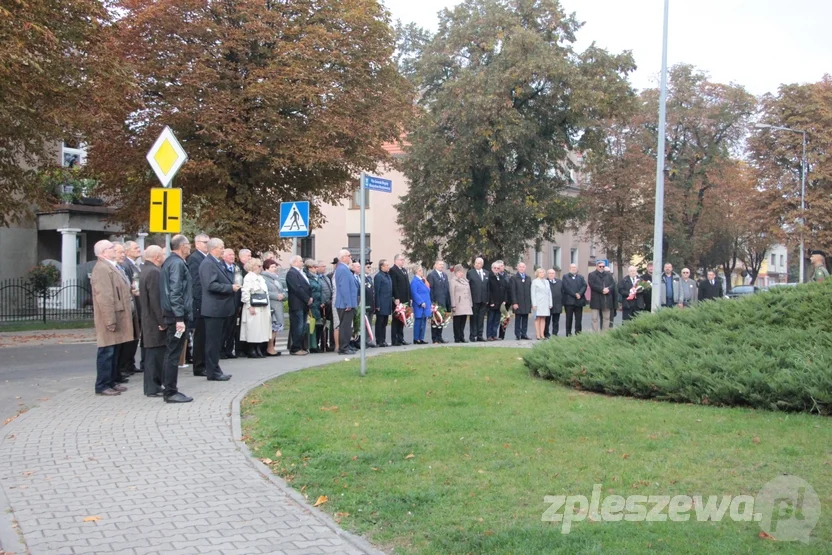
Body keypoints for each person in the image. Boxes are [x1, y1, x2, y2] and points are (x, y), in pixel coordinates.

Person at [90, 240, 132, 396]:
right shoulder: (101, 268)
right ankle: (102, 385)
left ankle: (112, 381)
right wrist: (110, 320)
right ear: (103, 252)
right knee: (106, 351)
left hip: (117, 314)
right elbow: (105, 297)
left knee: (114, 350)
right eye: (111, 248)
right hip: (109, 316)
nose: (114, 249)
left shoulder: (110, 265)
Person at [159, 234, 194, 403]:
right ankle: (170, 391)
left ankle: (170, 389)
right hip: (176, 318)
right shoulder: (177, 264)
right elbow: (175, 292)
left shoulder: (172, 262)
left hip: (175, 316)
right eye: (188, 244)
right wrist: (179, 318)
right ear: (181, 246)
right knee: (173, 353)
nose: (190, 247)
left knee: (172, 352)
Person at [199, 238, 238, 381]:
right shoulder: (208, 264)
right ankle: (212, 371)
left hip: (221, 308)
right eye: (222, 247)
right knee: (212, 342)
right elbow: (211, 285)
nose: (223, 250)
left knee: (217, 341)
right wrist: (230, 288)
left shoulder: (216, 263)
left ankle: (215, 369)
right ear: (214, 248)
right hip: (214, 309)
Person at [139, 246, 166, 397]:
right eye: (162, 254)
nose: (163, 256)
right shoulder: (154, 272)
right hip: (154, 321)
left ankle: (152, 386)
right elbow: (156, 300)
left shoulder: (145, 270)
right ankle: (153, 387)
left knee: (152, 355)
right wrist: (162, 322)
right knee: (155, 355)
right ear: (156, 256)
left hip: (149, 319)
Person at [113, 243, 140, 382]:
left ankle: (127, 365)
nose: (122, 254)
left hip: (132, 305)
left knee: (132, 338)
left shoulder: (126, 266)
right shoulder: (123, 266)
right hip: (123, 309)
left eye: (123, 252)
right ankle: (122, 368)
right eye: (120, 252)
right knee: (122, 343)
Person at [187, 233, 210, 375]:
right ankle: (199, 365)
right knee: (200, 336)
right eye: (205, 242)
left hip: (206, 303)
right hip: (200, 303)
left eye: (208, 241)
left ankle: (204, 363)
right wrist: (200, 302)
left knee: (206, 336)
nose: (207, 244)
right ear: (197, 244)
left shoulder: (206, 258)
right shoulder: (195, 259)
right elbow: (196, 282)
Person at [240, 258, 271, 357]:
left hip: (262, 306)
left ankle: (258, 348)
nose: (261, 268)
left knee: (261, 328)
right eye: (259, 266)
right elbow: (245, 292)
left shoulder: (260, 278)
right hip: (253, 306)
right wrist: (249, 306)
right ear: (253, 267)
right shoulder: (248, 277)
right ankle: (251, 349)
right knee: (253, 328)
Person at [286, 255, 312, 356]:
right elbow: (297, 288)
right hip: (297, 304)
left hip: (303, 304)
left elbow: (307, 286)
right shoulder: (291, 273)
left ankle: (299, 346)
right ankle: (295, 348)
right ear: (295, 262)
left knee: (302, 327)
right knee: (298, 326)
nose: (302, 263)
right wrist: (307, 298)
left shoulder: (301, 273)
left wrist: (310, 297)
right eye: (301, 261)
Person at [333, 250, 358, 354]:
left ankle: (346, 345)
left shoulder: (344, 268)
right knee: (345, 326)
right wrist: (348, 303)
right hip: (344, 303)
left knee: (347, 326)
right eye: (349, 256)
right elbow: (344, 287)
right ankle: (344, 347)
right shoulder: (342, 269)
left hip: (347, 302)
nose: (350, 257)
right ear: (343, 257)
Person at [261, 259, 285, 356]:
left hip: (278, 304)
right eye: (272, 267)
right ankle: (269, 348)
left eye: (275, 267)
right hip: (271, 305)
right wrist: (276, 295)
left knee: (276, 328)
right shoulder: (263, 278)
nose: (274, 269)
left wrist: (283, 295)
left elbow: (283, 289)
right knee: (272, 327)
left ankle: (272, 347)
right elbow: (264, 291)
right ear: (266, 268)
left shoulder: (276, 278)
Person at [221, 248, 240, 358]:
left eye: (233, 254)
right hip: (225, 302)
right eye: (229, 255)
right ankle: (221, 350)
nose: (232, 256)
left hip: (235, 301)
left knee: (232, 329)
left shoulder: (236, 268)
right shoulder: (221, 267)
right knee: (224, 328)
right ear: (223, 256)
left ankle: (229, 349)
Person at [427, 260, 450, 344]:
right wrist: (432, 303)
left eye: (443, 265)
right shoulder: (431, 275)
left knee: (441, 321)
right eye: (440, 264)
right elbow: (431, 290)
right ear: (435, 265)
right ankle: (435, 338)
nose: (442, 266)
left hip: (443, 301)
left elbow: (447, 290)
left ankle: (440, 337)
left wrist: (448, 303)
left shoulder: (445, 275)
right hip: (436, 302)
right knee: (435, 321)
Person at [389, 254, 411, 346]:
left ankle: (401, 338)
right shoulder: (393, 270)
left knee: (402, 319)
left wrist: (410, 297)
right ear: (396, 260)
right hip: (397, 300)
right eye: (401, 260)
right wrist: (396, 298)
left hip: (405, 299)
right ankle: (395, 339)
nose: (403, 261)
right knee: (396, 320)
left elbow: (407, 285)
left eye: (403, 260)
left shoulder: (404, 270)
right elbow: (394, 285)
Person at [588, 260, 616, 332]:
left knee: (606, 318)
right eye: (600, 266)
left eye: (603, 266)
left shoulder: (608, 275)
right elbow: (592, 285)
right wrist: (601, 289)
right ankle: (595, 334)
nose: (602, 268)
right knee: (594, 318)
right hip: (596, 299)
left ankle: (605, 334)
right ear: (597, 266)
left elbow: (613, 284)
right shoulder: (592, 274)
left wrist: (608, 289)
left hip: (606, 299)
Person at [466, 257, 489, 342]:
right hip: (474, 299)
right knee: (473, 318)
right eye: (476, 262)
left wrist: (487, 299)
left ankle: (480, 335)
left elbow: (488, 287)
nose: (477, 264)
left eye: (479, 263)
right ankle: (473, 335)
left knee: (481, 318)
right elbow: (468, 287)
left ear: (482, 264)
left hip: (483, 299)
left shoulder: (486, 273)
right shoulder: (470, 273)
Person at [449, 264, 473, 343]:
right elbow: (452, 294)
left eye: (462, 272)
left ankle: (461, 336)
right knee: (457, 322)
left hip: (465, 304)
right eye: (460, 272)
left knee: (463, 321)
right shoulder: (453, 281)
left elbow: (469, 293)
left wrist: (470, 303)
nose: (461, 274)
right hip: (458, 304)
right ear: (456, 272)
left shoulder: (465, 280)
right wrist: (453, 305)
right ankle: (457, 337)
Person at [562, 263, 587, 336]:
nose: (574, 269)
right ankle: (568, 333)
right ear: (569, 268)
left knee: (578, 319)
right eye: (572, 267)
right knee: (569, 319)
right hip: (569, 301)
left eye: (575, 267)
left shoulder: (581, 277)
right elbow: (566, 287)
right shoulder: (565, 277)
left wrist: (580, 293)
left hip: (579, 301)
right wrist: (575, 294)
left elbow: (584, 286)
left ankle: (578, 333)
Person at [486, 261, 508, 341]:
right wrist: (490, 301)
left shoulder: (501, 277)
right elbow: (488, 290)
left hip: (500, 303)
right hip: (492, 302)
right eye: (494, 268)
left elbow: (505, 289)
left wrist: (505, 300)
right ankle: (489, 335)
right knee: (490, 319)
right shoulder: (489, 277)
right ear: (492, 268)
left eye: (498, 268)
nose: (496, 269)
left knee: (497, 320)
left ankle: (494, 335)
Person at [510, 262, 532, 340]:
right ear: (517, 268)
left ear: (525, 268)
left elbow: (530, 291)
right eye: (520, 267)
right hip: (518, 302)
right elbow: (513, 291)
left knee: (525, 319)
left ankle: (524, 334)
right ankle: (517, 334)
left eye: (523, 267)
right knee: (518, 319)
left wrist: (530, 303)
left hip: (526, 302)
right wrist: (514, 302)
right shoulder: (514, 278)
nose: (522, 268)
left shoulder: (528, 278)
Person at [373, 259, 393, 347]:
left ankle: (383, 340)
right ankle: (379, 340)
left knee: (385, 322)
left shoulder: (387, 276)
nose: (388, 266)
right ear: (382, 267)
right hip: (381, 303)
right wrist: (377, 304)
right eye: (387, 265)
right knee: (379, 322)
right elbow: (377, 291)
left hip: (387, 302)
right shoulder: (378, 276)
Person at [305, 259, 323, 352]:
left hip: (318, 303)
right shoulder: (308, 278)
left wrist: (322, 301)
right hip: (312, 303)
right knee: (312, 325)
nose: (316, 269)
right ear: (309, 268)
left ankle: (316, 344)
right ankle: (312, 345)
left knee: (318, 325)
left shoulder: (317, 277)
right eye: (314, 267)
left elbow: (321, 290)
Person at [410, 265, 431, 344]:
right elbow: (414, 293)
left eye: (421, 270)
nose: (422, 272)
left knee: (424, 320)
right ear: (416, 272)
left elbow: (427, 290)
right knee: (418, 321)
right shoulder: (414, 281)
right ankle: (416, 338)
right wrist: (421, 302)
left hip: (426, 303)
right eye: (420, 270)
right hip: (420, 304)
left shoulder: (422, 280)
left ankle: (421, 337)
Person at [530, 268, 553, 340]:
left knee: (543, 318)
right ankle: (538, 334)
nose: (542, 274)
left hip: (545, 302)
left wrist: (550, 303)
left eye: (543, 272)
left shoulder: (547, 281)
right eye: (540, 272)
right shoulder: (535, 282)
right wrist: (534, 304)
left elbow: (549, 293)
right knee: (537, 318)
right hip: (538, 302)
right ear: (537, 273)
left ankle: (542, 334)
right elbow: (533, 293)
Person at [316, 261, 334, 352]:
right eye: (323, 266)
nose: (324, 268)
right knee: (320, 325)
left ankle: (325, 344)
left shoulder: (326, 277)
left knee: (327, 325)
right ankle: (318, 344)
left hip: (328, 304)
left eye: (325, 266)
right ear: (317, 267)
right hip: (321, 304)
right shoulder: (317, 278)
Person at [544, 269, 563, 338]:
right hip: (548, 305)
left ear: (555, 274)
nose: (551, 275)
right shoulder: (545, 282)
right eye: (549, 273)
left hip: (557, 304)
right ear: (547, 274)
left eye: (552, 273)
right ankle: (546, 333)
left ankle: (555, 333)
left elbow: (562, 292)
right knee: (547, 321)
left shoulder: (560, 282)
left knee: (556, 321)